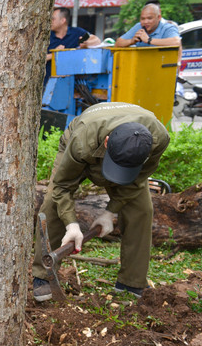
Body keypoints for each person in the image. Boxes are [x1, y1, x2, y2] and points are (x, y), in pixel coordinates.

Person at [32, 102, 170, 302]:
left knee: (141, 210)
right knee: (52, 203)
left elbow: (139, 179)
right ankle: (43, 275)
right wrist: (71, 224)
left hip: (123, 152)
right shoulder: (81, 142)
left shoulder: (159, 139)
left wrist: (109, 213)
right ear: (106, 142)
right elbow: (63, 186)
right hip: (83, 146)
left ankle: (131, 282)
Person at [45, 7, 101, 83]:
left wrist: (86, 44)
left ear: (63, 20)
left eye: (53, 19)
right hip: (48, 82)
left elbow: (97, 40)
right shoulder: (46, 36)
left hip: (73, 83)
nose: (50, 21)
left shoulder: (77, 32)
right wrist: (55, 54)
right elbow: (37, 59)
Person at [114, 4, 181, 48]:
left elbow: (176, 42)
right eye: (143, 19)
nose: (145, 22)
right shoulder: (139, 26)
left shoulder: (167, 27)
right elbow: (118, 43)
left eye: (149, 18)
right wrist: (131, 41)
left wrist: (149, 40)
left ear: (159, 17)